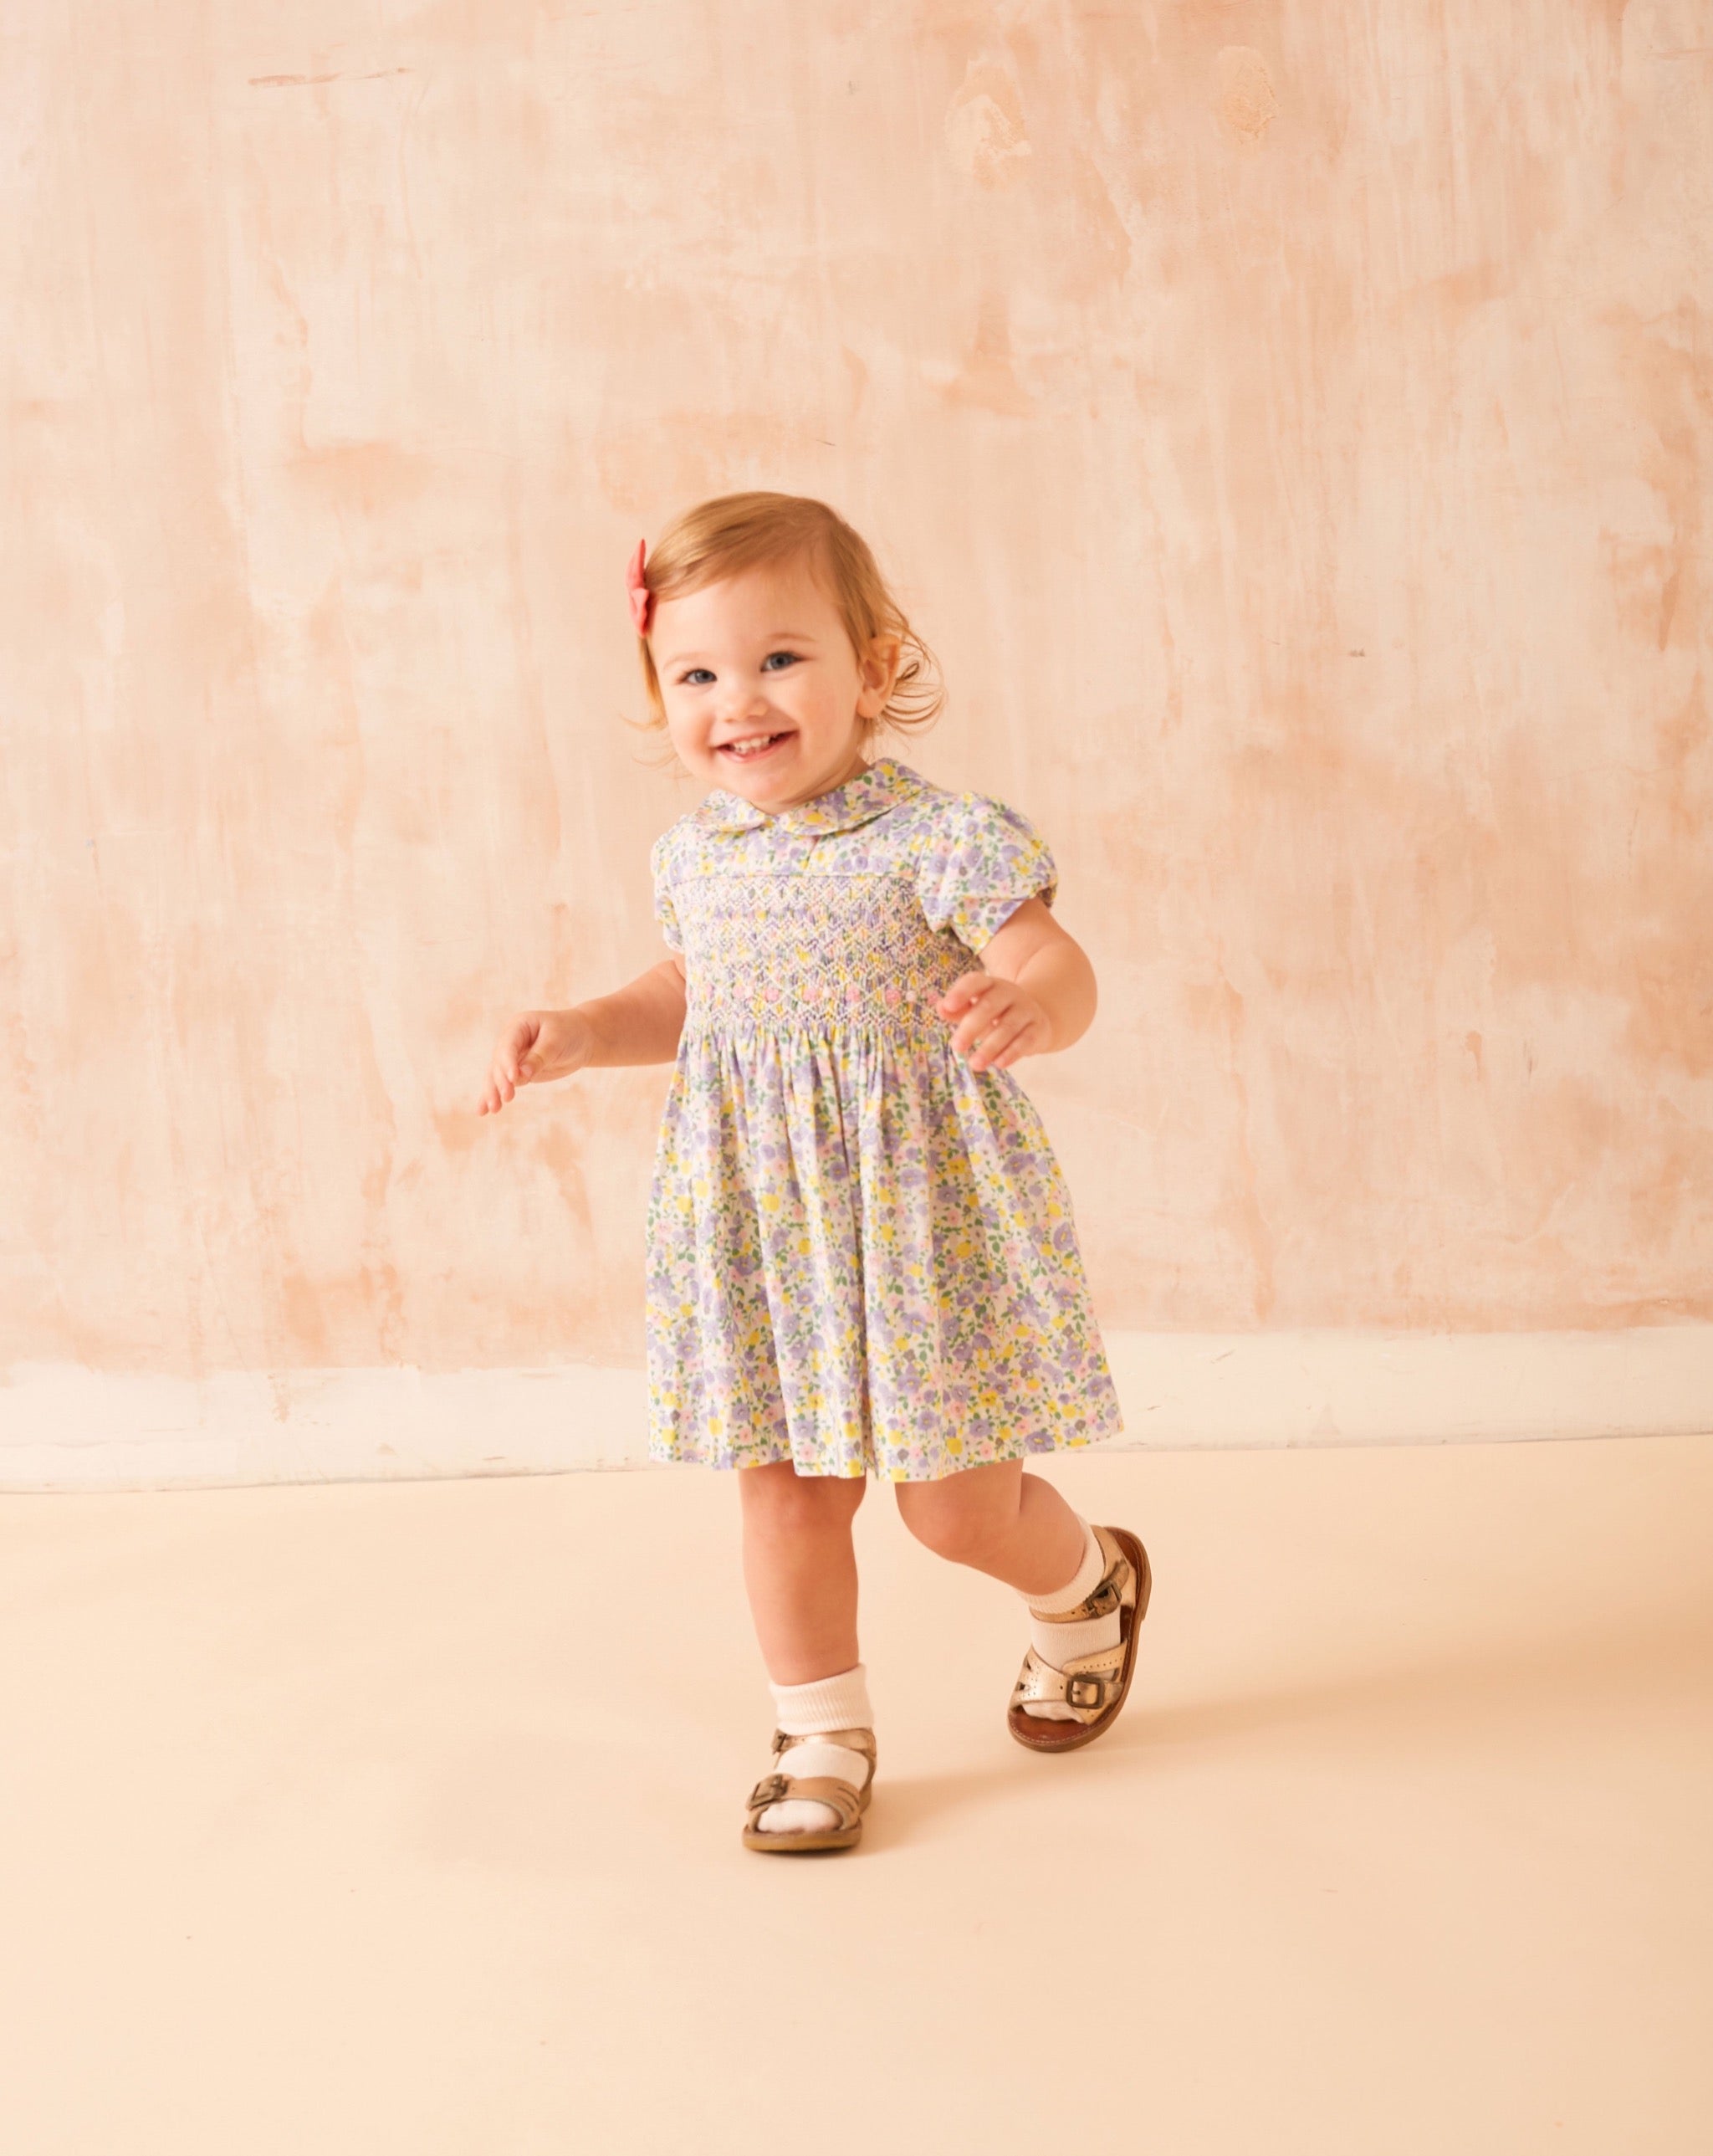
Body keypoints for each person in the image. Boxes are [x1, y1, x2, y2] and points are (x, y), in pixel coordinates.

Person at [478, 491, 1148, 1853]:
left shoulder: (935, 836)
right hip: (765, 1222)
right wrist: (590, 1030)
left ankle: (1087, 1587)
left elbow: (1045, 951)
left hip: (918, 1222)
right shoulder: (694, 856)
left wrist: (1035, 1004)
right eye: (697, 673)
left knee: (955, 1507)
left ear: (875, 667)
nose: (740, 700)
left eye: (780, 658)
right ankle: (820, 1729)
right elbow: (695, 994)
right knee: (784, 1487)